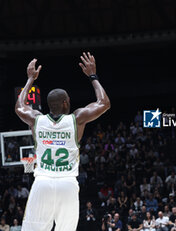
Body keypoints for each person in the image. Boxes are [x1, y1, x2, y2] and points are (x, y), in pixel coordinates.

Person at [15, 52, 110, 231]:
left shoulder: (37, 120)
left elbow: (19, 107)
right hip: (68, 183)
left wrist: (30, 80)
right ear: (66, 103)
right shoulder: (77, 119)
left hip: (42, 181)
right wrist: (93, 76)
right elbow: (104, 103)